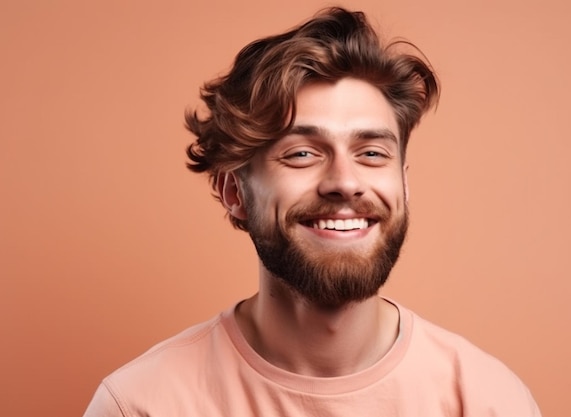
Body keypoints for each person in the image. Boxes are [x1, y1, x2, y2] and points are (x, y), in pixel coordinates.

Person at [83, 7, 541, 416]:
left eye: (372, 153)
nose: (344, 180)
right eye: (302, 153)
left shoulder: (487, 401)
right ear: (234, 191)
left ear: (403, 182)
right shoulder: (141, 405)